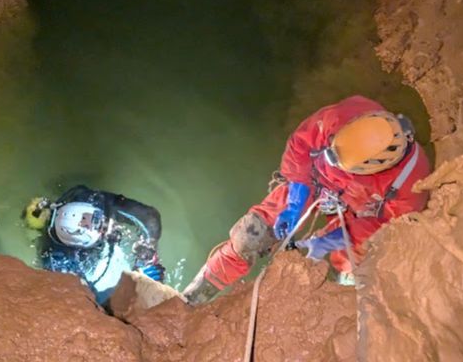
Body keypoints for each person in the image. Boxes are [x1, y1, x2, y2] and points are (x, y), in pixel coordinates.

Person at [182, 95, 431, 304]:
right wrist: (294, 203)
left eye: (342, 162)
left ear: (373, 168)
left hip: (357, 213)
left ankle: (340, 297)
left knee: (355, 259)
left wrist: (328, 241)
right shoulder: (342, 116)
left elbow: (385, 225)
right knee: (251, 234)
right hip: (314, 182)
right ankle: (195, 296)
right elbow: (300, 147)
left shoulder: (411, 185)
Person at [23, 184, 166, 304]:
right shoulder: (61, 264)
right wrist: (135, 285)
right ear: (81, 246)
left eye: (102, 221)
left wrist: (148, 249)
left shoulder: (90, 200)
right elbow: (91, 308)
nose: (110, 228)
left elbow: (150, 216)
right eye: (102, 231)